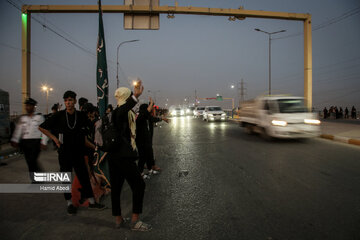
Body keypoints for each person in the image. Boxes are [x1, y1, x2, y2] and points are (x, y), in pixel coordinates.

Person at [39, 90, 105, 215]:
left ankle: (92, 202)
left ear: (75, 101)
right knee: (65, 177)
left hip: (78, 152)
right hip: (64, 153)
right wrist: (54, 139)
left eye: (70, 100)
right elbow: (41, 127)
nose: (68, 103)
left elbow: (86, 135)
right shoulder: (58, 116)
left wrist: (95, 147)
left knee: (84, 177)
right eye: (66, 100)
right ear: (64, 102)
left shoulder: (80, 116)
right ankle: (69, 203)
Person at [107, 81, 151, 231]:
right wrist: (136, 96)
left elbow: (139, 117)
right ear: (126, 97)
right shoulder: (119, 112)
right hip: (122, 157)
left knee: (117, 189)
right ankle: (134, 221)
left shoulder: (122, 113)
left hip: (115, 157)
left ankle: (119, 220)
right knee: (139, 185)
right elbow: (124, 110)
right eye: (129, 95)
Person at [10, 98, 48, 182]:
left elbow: (44, 131)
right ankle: (35, 178)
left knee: (32, 160)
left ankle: (38, 178)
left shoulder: (39, 117)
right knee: (29, 161)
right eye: (26, 105)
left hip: (36, 142)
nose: (27, 107)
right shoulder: (23, 118)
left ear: (34, 107)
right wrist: (15, 140)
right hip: (25, 142)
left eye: (30, 105)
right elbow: (18, 129)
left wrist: (44, 142)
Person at [136, 98, 169, 178]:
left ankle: (150, 170)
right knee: (142, 157)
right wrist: (151, 104)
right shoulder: (140, 117)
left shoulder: (147, 117)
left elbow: (154, 119)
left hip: (147, 141)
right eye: (148, 108)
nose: (150, 110)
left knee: (149, 155)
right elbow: (147, 114)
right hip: (141, 141)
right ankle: (140, 173)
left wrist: (162, 119)